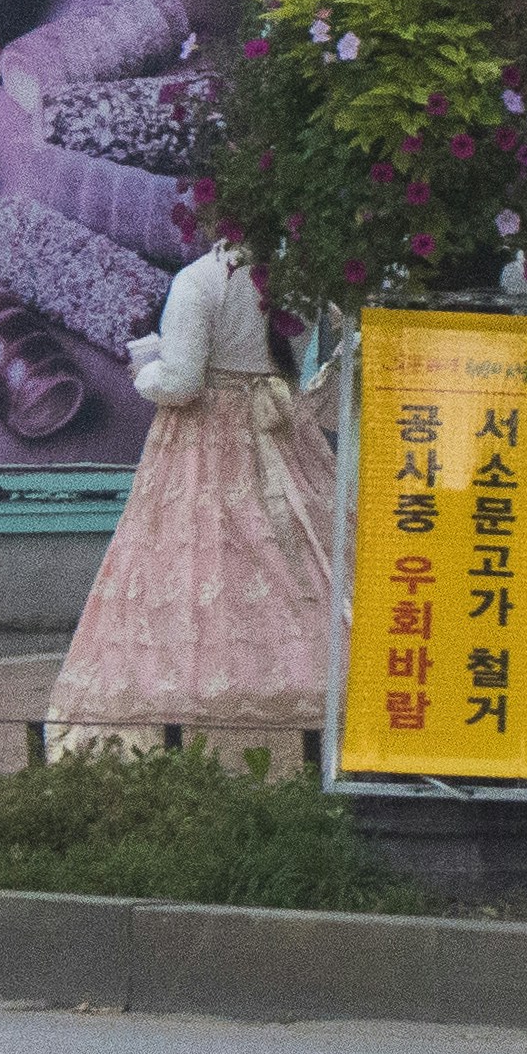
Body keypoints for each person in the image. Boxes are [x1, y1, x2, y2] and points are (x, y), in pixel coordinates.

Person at [48, 229, 342, 751]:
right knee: (299, 560)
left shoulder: (200, 281)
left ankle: (189, 705)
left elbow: (181, 382)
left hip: (205, 443)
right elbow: (342, 337)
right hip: (284, 432)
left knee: (192, 566)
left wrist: (145, 368)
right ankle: (319, 698)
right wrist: (315, 391)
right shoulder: (296, 283)